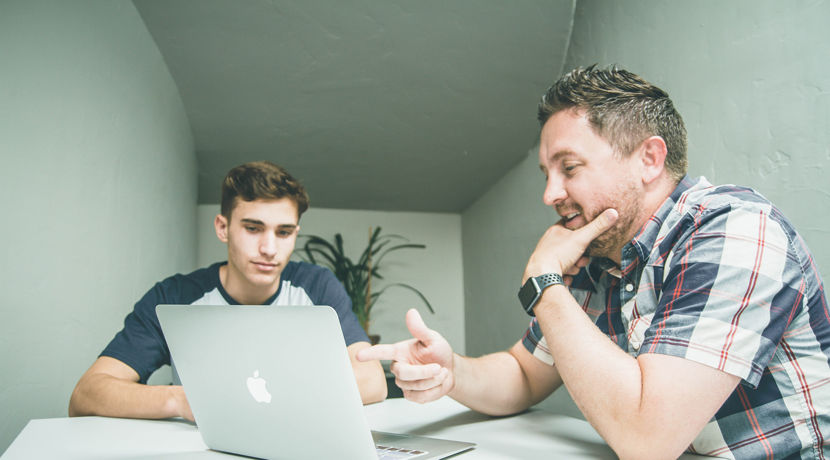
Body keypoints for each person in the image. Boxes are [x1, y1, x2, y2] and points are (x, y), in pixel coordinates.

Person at [358, 66, 830, 459]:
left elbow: (648, 439)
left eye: (570, 167)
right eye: (547, 174)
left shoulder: (735, 231)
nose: (550, 195)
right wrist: (452, 371)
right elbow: (523, 374)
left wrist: (544, 283)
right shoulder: (599, 257)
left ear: (648, 159)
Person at [70, 161, 387, 421]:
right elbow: (87, 394)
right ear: (223, 227)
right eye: (253, 228)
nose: (269, 248)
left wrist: (268, 397)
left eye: (284, 232)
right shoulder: (174, 296)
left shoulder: (316, 286)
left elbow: (373, 381)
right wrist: (182, 401)